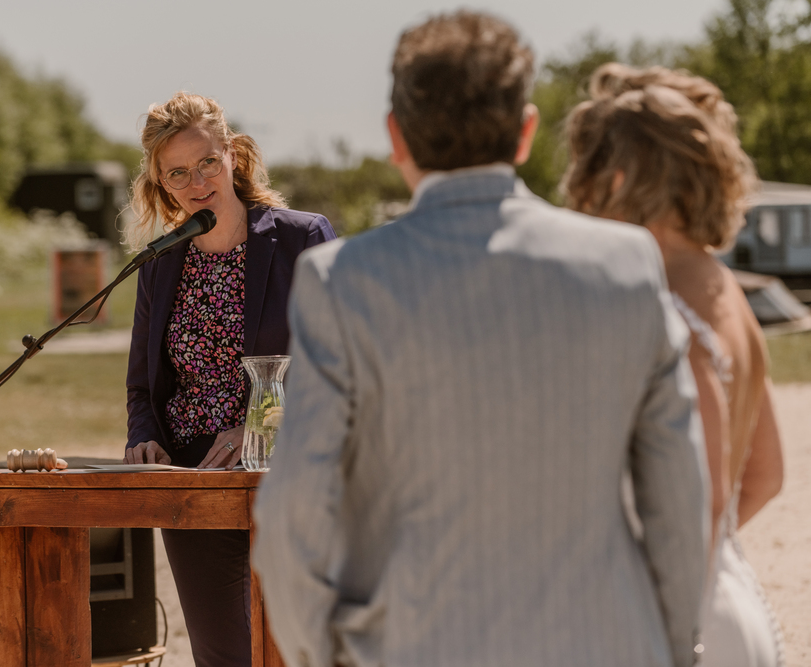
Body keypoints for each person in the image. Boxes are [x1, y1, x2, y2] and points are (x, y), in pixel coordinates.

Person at [252, 11, 709, 667]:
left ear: (395, 135)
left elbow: (294, 516)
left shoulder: (342, 281)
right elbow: (678, 501)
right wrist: (675, 647)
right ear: (526, 131)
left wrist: (322, 653)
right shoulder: (626, 264)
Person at [562, 63, 786, 667]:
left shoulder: (664, 307)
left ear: (615, 179)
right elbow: (765, 475)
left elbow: (702, 498)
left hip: (677, 624)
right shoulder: (725, 288)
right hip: (731, 602)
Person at [122, 91, 336, 667]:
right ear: (162, 183)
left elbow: (342, 363)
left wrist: (260, 429)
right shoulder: (159, 264)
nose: (197, 182)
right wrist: (144, 438)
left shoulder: (302, 239)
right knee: (223, 654)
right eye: (178, 173)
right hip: (191, 483)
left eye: (207, 163)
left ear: (233, 156)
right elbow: (142, 386)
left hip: (288, 476)